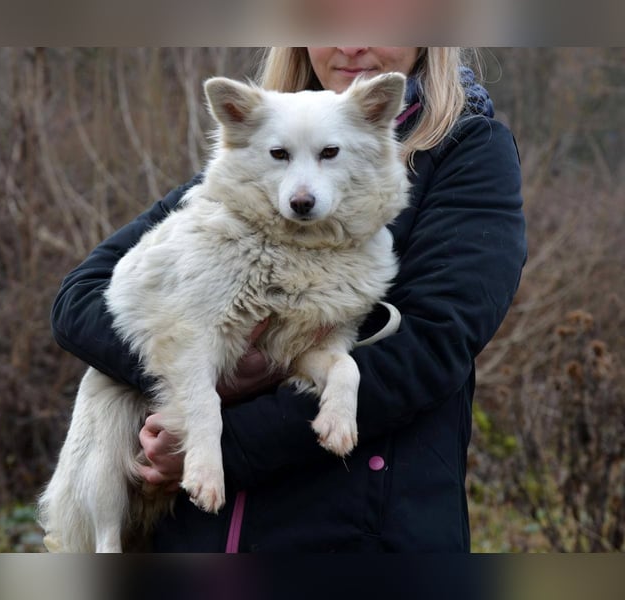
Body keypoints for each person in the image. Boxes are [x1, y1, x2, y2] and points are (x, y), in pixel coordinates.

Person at [50, 47, 527, 552]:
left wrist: (225, 443)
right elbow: (79, 302)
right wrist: (209, 378)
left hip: (353, 541)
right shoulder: (254, 153)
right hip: (197, 535)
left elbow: (432, 346)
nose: (351, 43)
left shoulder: (470, 150)